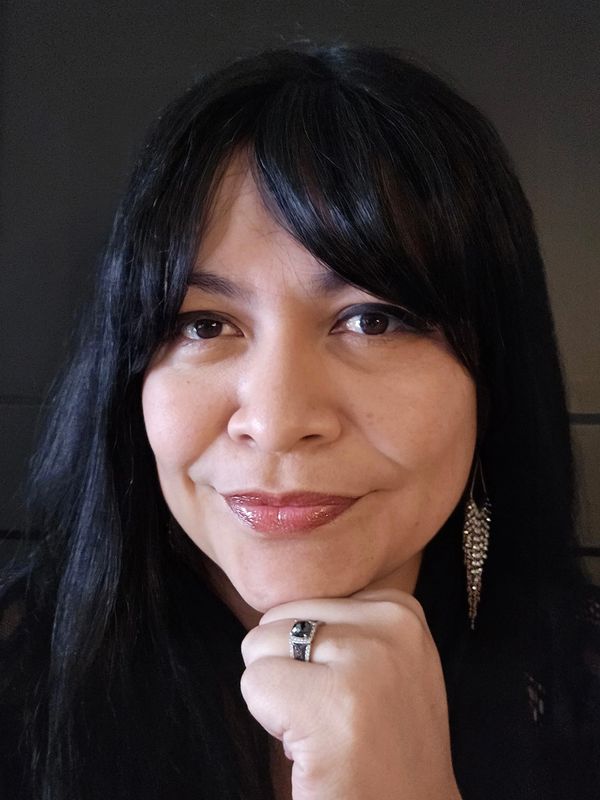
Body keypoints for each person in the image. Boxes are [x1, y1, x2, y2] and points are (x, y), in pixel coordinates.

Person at [1, 41, 598, 800]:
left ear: (491, 378)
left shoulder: (576, 690)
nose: (278, 421)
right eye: (205, 325)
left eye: (374, 320)